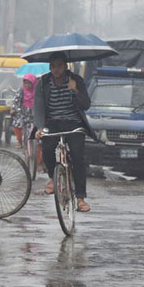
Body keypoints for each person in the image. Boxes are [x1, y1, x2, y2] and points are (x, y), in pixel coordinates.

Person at [34, 51, 94, 212]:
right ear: (50, 67)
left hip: (73, 123)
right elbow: (38, 107)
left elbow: (86, 105)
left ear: (65, 66)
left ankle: (80, 198)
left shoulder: (77, 80)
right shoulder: (42, 83)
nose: (56, 70)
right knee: (46, 149)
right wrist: (40, 127)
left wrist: (76, 90)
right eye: (53, 66)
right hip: (52, 123)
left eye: (60, 66)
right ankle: (53, 178)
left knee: (77, 156)